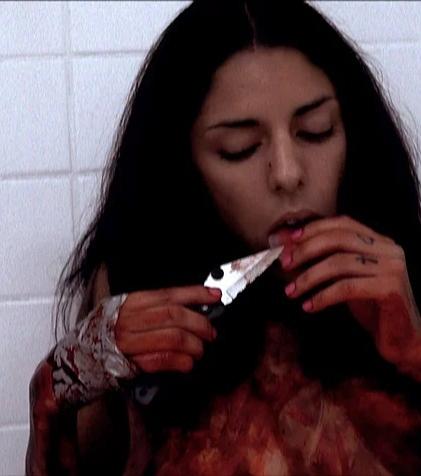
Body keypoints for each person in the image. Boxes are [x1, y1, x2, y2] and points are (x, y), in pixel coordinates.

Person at [26, 0, 421, 474]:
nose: (288, 174)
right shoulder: (139, 285)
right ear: (184, 165)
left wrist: (416, 352)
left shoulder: (402, 276)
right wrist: (59, 382)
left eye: (316, 132)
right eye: (240, 149)